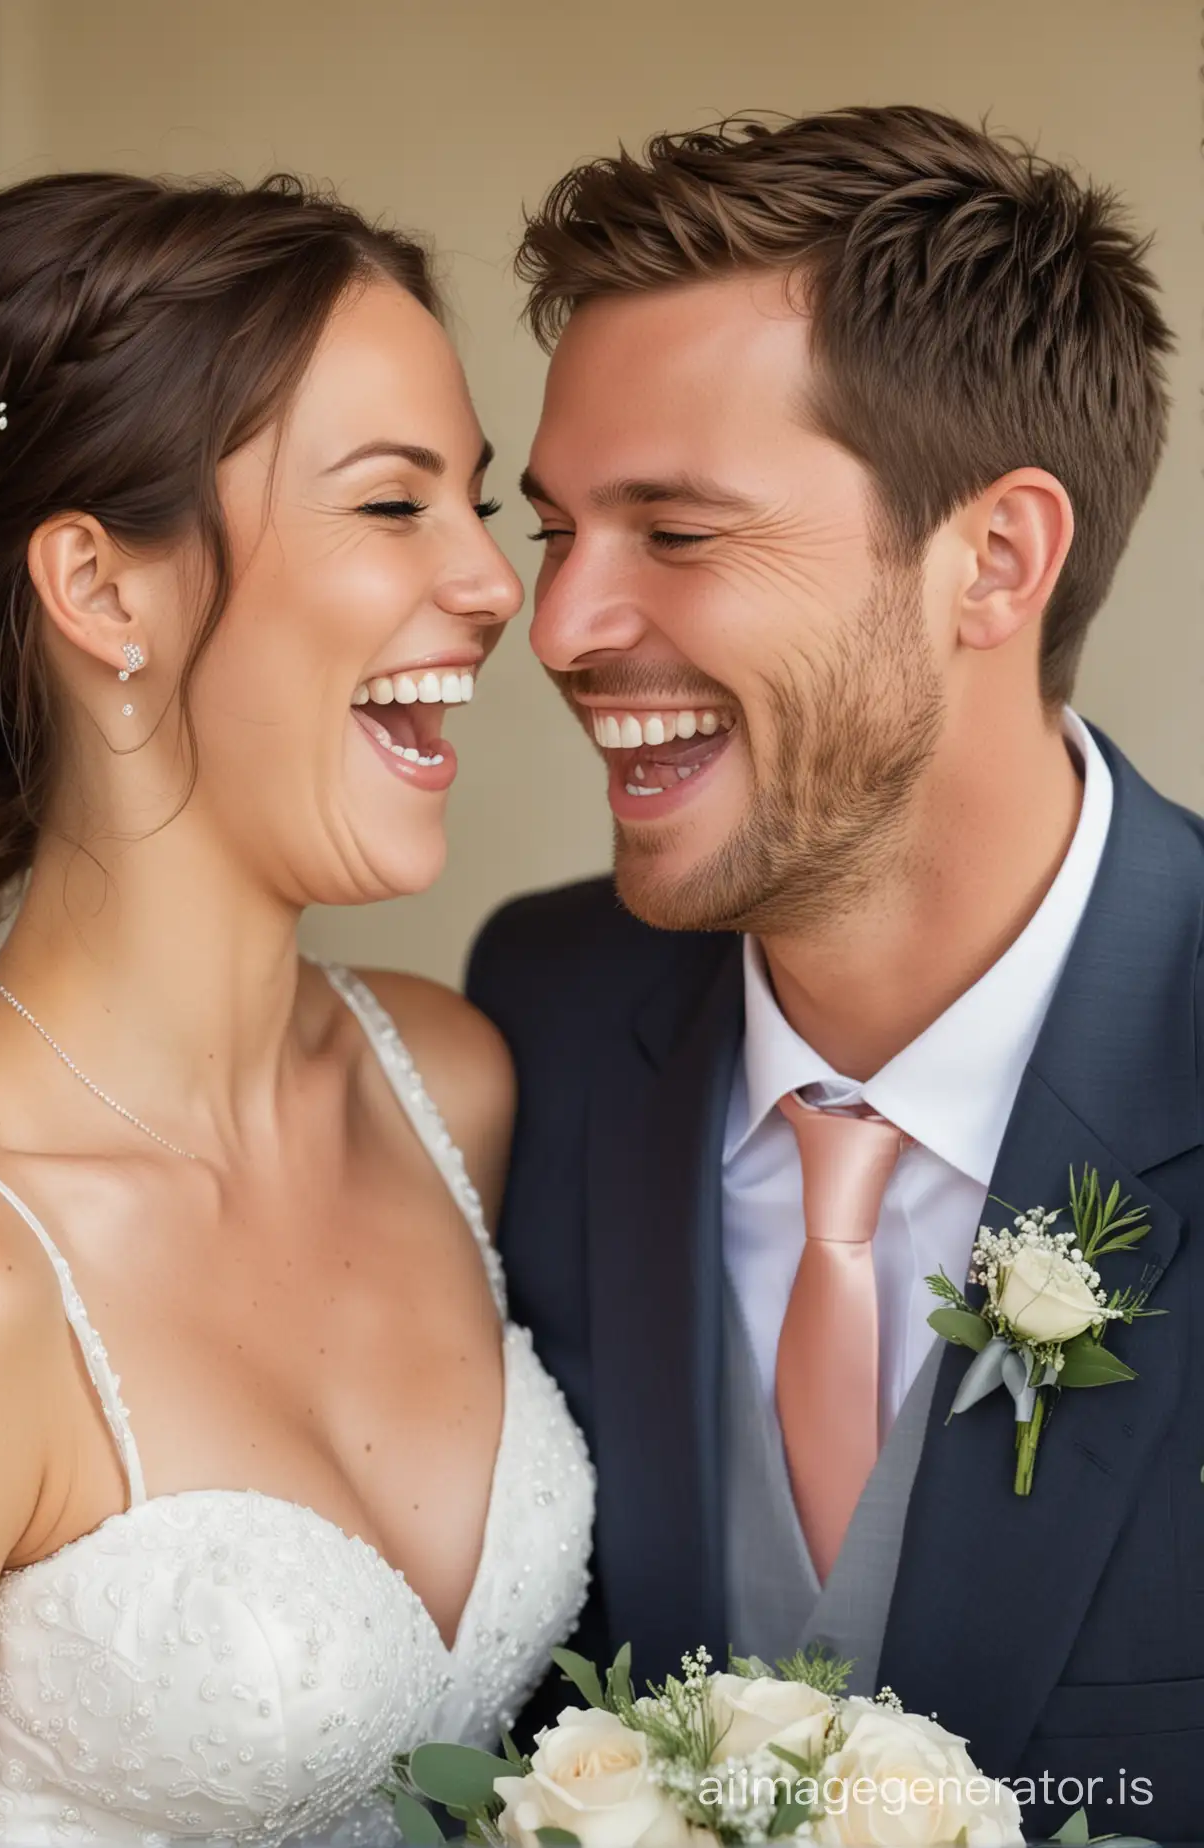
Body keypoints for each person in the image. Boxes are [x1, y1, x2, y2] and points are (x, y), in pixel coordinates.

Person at [0, 174, 592, 1846]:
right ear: (101, 591)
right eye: (392, 508)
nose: (492, 585)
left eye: (473, 501)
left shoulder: (449, 1084)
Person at [467, 104, 1200, 1842]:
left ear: (996, 560)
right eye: (560, 528)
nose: (557, 626)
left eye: (681, 531)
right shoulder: (538, 1019)